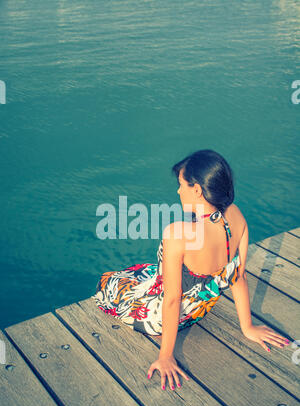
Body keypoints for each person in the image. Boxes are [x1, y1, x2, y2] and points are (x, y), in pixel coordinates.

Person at [92, 149, 289, 391]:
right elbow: (237, 275)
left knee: (107, 281)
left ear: (197, 190)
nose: (177, 191)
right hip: (198, 309)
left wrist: (165, 355)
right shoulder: (235, 215)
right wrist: (247, 327)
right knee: (138, 272)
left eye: (181, 185)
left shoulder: (179, 233)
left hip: (162, 318)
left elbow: (172, 299)